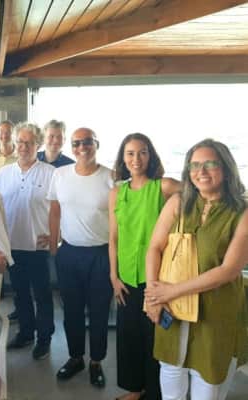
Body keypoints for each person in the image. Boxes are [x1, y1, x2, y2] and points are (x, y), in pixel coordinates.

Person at [145, 139, 248, 400]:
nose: (201, 171)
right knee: (171, 369)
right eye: (194, 165)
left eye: (210, 164)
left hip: (215, 310)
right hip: (171, 307)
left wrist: (171, 292)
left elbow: (229, 270)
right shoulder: (178, 203)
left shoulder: (241, 212)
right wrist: (154, 297)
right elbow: (154, 248)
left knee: (209, 379)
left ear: (226, 168)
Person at [108, 133, 181, 400]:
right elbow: (113, 238)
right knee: (129, 337)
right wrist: (114, 276)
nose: (136, 158)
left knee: (155, 338)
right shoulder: (117, 193)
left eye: (142, 152)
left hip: (157, 277)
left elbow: (201, 192)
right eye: (130, 153)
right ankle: (134, 390)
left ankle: (155, 393)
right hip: (126, 277)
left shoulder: (164, 187)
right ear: (123, 158)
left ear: (150, 156)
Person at [48, 127, 114, 387]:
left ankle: (96, 361)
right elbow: (55, 211)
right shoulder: (60, 175)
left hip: (101, 254)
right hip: (69, 253)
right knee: (72, 311)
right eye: (76, 143)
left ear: (96, 144)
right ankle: (76, 357)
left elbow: (119, 220)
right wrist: (54, 247)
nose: (82, 147)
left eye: (87, 142)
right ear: (71, 147)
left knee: (99, 312)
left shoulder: (111, 177)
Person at [0, 122, 55, 360]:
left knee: (42, 295)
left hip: (38, 246)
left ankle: (45, 338)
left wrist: (55, 236)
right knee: (20, 294)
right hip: (11, 246)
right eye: (20, 142)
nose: (24, 147)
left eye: (29, 143)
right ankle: (26, 333)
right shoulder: (3, 174)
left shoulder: (50, 173)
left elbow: (60, 209)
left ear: (38, 145)